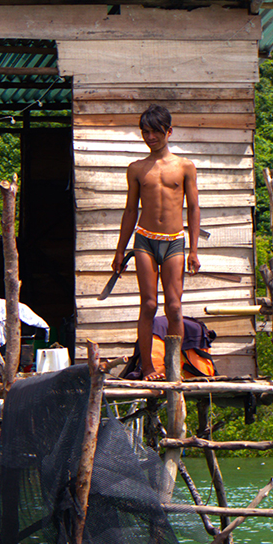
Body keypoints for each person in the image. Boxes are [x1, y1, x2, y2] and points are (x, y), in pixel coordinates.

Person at [111, 104, 200, 380]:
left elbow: (194, 208)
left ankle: (174, 367)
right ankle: (148, 367)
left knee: (174, 306)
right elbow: (130, 211)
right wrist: (119, 250)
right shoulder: (136, 169)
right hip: (144, 241)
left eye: (155, 132)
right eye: (145, 132)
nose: (150, 137)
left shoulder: (185, 167)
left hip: (174, 241)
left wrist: (194, 249)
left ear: (169, 131)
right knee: (148, 304)